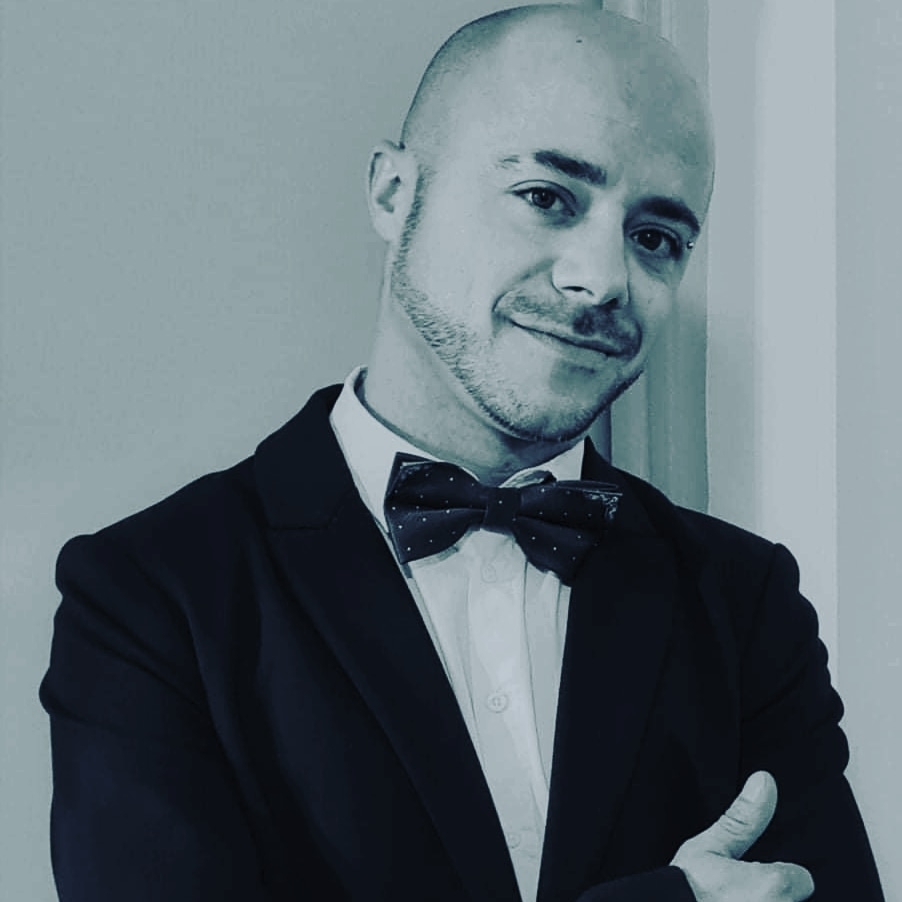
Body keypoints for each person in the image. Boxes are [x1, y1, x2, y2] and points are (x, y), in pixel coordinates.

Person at [40, 5, 884, 901]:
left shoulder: (747, 604)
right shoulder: (151, 595)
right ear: (394, 193)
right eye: (545, 197)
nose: (601, 279)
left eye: (655, 239)